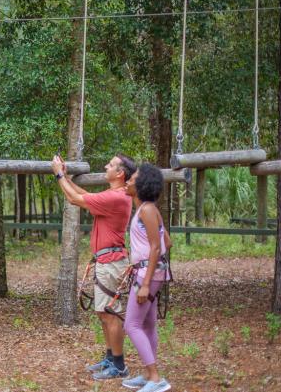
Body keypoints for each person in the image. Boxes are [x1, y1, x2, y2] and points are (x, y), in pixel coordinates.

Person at [52, 153, 136, 380]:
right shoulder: (112, 194)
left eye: (110, 164)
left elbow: (74, 200)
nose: (105, 166)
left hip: (112, 263)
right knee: (103, 313)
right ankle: (110, 358)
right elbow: (85, 195)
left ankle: (119, 365)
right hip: (105, 261)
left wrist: (58, 174)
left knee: (111, 314)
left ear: (119, 173)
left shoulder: (118, 197)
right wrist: (67, 178)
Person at [121, 163, 172, 392]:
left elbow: (155, 248)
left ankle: (154, 378)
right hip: (149, 271)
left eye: (134, 178)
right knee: (148, 324)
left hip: (147, 275)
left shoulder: (148, 210)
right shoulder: (147, 210)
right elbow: (166, 242)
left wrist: (145, 284)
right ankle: (148, 373)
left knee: (131, 325)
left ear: (142, 185)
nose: (129, 180)